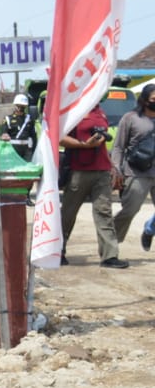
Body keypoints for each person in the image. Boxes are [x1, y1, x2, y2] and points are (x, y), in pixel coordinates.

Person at [60, 103, 125, 268]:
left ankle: (109, 256)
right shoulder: (73, 110)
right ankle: (57, 251)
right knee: (68, 214)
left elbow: (103, 144)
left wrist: (112, 167)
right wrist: (84, 145)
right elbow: (60, 138)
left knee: (104, 213)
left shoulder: (100, 111)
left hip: (102, 170)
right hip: (78, 171)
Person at [109, 83, 155, 250]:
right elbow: (119, 146)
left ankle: (149, 230)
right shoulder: (130, 118)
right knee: (129, 211)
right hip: (136, 173)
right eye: (153, 99)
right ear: (144, 100)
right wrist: (116, 168)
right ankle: (110, 244)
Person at [0, 93, 37, 161]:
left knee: (26, 168)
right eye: (19, 106)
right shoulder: (8, 119)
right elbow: (3, 133)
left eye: (23, 107)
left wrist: (33, 150)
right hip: (13, 150)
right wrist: (4, 135)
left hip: (26, 151)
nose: (20, 109)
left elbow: (34, 137)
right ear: (15, 106)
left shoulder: (29, 119)